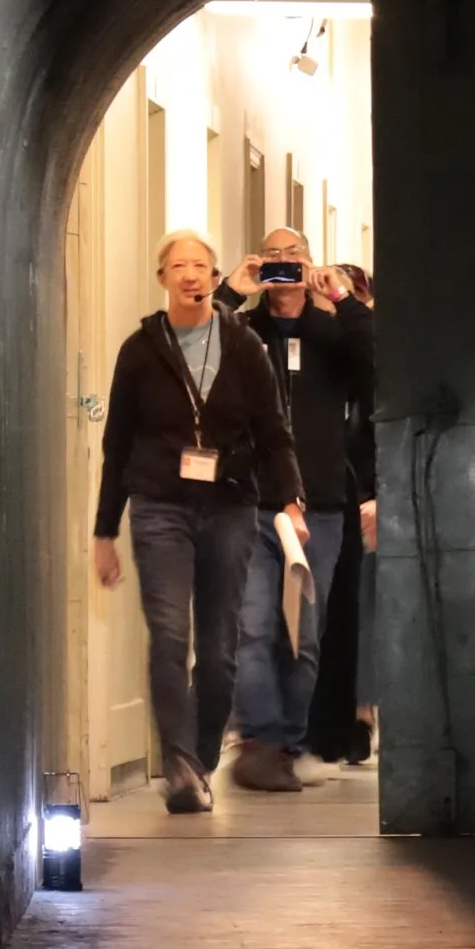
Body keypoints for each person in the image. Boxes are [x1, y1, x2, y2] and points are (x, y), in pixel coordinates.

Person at [93, 231, 305, 814]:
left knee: (218, 650)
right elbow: (116, 444)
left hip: (231, 503)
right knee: (169, 634)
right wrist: (104, 532)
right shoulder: (141, 349)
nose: (190, 275)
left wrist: (290, 499)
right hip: (160, 503)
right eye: (178, 266)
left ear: (216, 278)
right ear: (162, 277)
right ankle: (179, 764)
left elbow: (274, 433)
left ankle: (203, 756)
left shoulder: (244, 347)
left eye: (201, 266)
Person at [218, 231, 375, 790]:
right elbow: (193, 354)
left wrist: (343, 298)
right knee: (251, 626)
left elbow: (376, 364)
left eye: (295, 257)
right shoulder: (241, 331)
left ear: (310, 265)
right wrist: (230, 294)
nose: (283, 266)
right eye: (274, 256)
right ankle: (259, 739)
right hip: (250, 501)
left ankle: (285, 739)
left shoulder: (331, 332)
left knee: (305, 635)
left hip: (322, 502)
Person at [308, 264, 379, 765]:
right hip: (328, 494)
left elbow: (377, 382)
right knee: (330, 617)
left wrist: (382, 493)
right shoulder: (317, 349)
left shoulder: (364, 349)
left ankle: (361, 713)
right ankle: (330, 722)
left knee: (363, 612)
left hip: (366, 495)